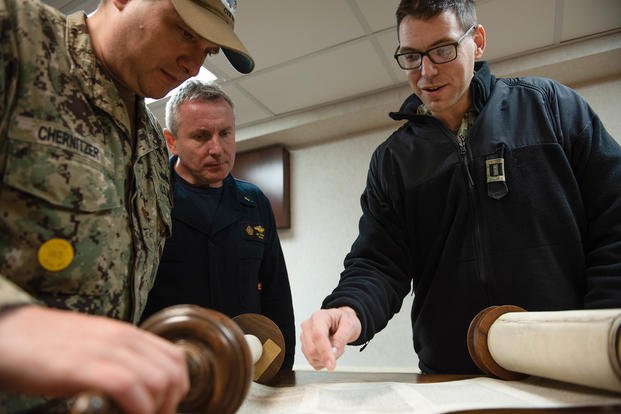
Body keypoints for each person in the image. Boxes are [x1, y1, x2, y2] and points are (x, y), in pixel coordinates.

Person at [300, 0, 621, 375]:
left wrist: (598, 334)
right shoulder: (393, 160)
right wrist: (348, 310)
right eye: (411, 55)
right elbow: (378, 262)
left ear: (478, 41)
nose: (426, 71)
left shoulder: (548, 107)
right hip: (452, 372)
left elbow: (614, 220)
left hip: (568, 364)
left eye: (442, 49)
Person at [0, 0, 253, 412]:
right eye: (185, 31)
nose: (192, 64)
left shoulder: (153, 144)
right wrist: (11, 322)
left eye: (207, 51)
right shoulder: (17, 38)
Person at [141, 80, 296, 370]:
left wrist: (282, 368)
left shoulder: (255, 201)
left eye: (225, 133)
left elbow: (277, 293)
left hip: (243, 367)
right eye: (201, 136)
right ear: (171, 140)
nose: (217, 148)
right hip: (168, 369)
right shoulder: (150, 199)